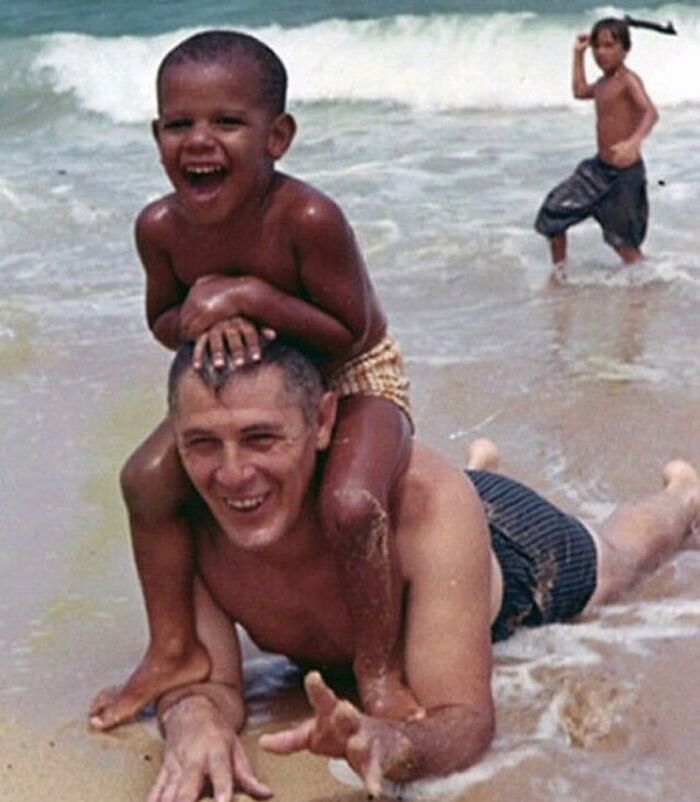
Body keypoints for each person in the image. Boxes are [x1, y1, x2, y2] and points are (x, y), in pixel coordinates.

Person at [143, 340, 698, 801]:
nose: (233, 474)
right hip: (425, 519)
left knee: (618, 562)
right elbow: (208, 679)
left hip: (509, 546)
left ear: (322, 422)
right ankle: (478, 469)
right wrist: (193, 718)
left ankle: (680, 498)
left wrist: (395, 744)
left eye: (261, 438)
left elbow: (463, 719)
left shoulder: (425, 507)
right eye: (203, 443)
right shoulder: (186, 519)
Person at [88, 30, 418, 731]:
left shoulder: (306, 217)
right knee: (145, 479)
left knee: (354, 502)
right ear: (156, 134)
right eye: (180, 124)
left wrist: (246, 296)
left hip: (355, 375)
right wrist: (204, 312)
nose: (200, 141)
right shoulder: (159, 227)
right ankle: (174, 647)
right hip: (247, 388)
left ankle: (379, 669)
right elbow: (163, 320)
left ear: (279, 136)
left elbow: (350, 330)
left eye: (228, 123)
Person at [534, 17, 660, 271]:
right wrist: (578, 55)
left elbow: (650, 113)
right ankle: (560, 275)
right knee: (554, 212)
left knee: (624, 245)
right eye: (597, 47)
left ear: (625, 49)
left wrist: (633, 142)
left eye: (609, 46)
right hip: (597, 172)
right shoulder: (603, 83)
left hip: (624, 176)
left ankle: (650, 287)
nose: (601, 53)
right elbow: (579, 91)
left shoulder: (627, 80)